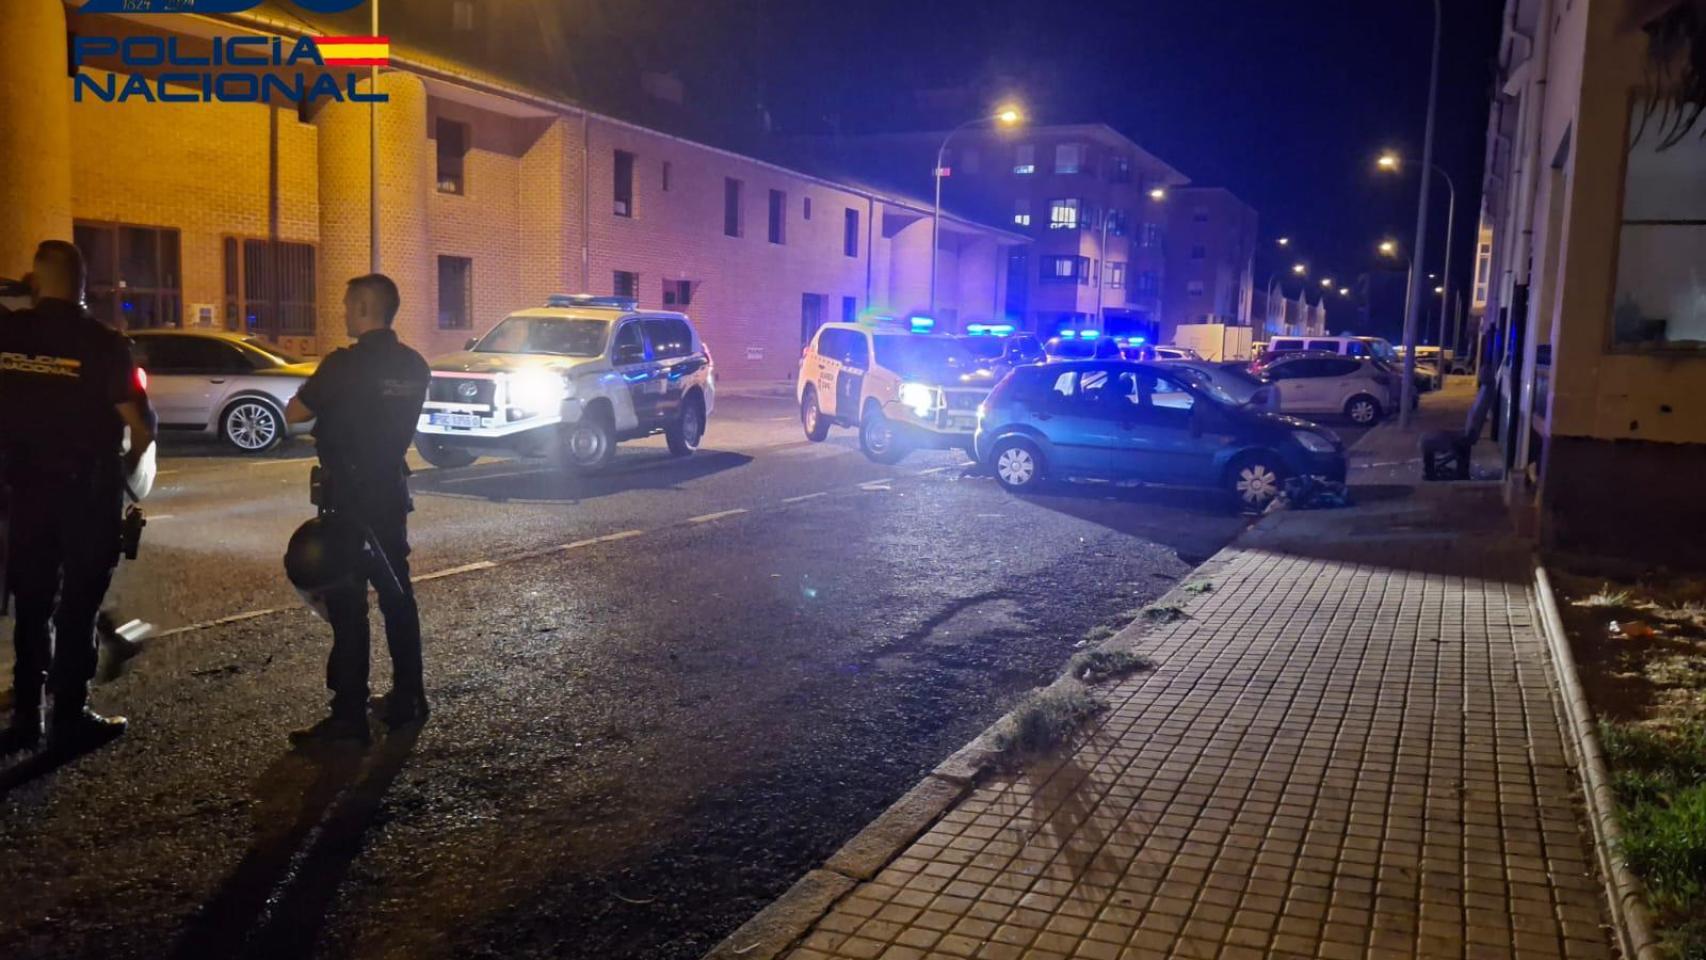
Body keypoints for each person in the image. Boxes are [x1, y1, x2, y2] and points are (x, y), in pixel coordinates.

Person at [0, 241, 155, 755]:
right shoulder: (104, 342)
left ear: (37, 280)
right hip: (87, 495)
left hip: (23, 492)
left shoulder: (9, 331)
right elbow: (140, 425)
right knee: (78, 608)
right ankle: (69, 716)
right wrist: (131, 471)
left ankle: (26, 719)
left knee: (32, 605)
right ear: (84, 285)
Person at [285, 274, 431, 745]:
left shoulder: (342, 365)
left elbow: (296, 412)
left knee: (348, 604)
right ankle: (409, 697)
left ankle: (348, 718)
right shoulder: (414, 366)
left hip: (348, 497)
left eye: (349, 304)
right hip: (390, 492)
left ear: (366, 306)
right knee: (397, 597)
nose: (344, 313)